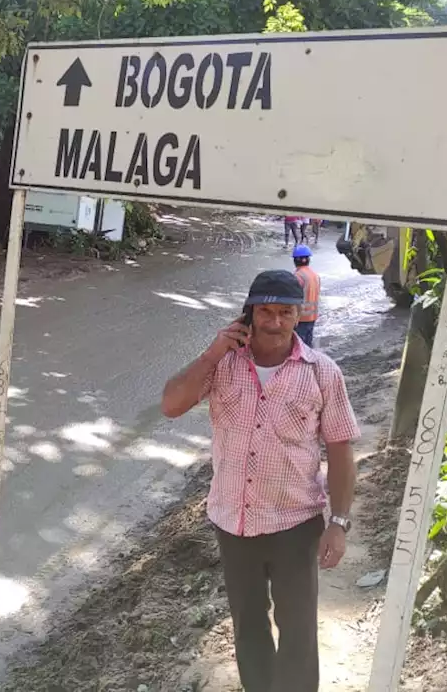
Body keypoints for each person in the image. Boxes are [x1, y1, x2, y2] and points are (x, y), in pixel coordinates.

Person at [159, 270, 359, 692]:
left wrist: (339, 524)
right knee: (248, 627)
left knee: (298, 631)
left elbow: (341, 449)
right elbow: (171, 405)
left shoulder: (322, 372)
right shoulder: (222, 366)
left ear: (298, 315)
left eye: (285, 312)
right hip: (234, 522)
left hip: (295, 525)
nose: (274, 322)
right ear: (248, 315)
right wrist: (212, 354)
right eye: (265, 311)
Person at [292, 245, 321, 347]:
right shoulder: (315, 275)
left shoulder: (298, 276)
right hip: (312, 316)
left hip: (301, 318)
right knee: (308, 345)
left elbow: (293, 298)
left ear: (296, 260)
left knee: (299, 346)